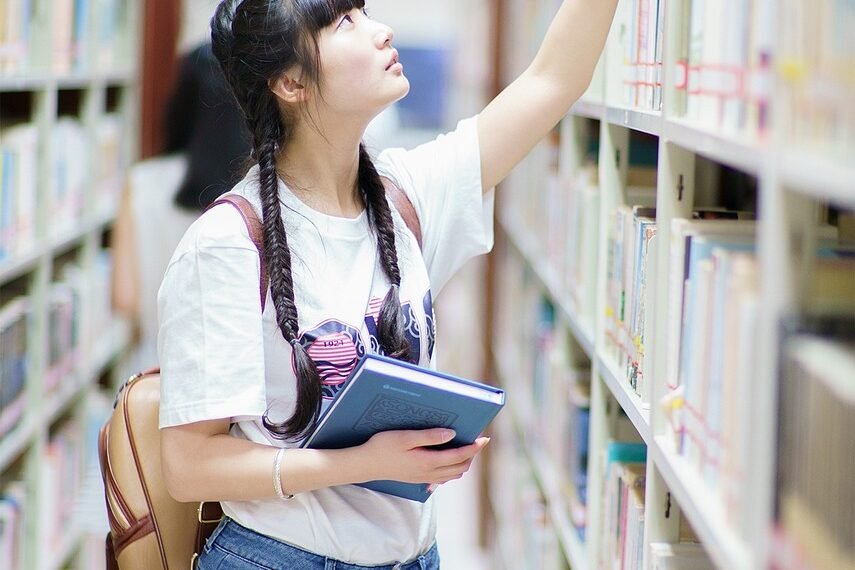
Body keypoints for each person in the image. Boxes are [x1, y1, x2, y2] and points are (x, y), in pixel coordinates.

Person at [157, 1, 618, 569]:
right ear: (291, 82)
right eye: (345, 22)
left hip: (414, 557)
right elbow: (189, 466)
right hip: (281, 557)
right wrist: (364, 463)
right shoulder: (226, 244)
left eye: (364, 12)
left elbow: (554, 80)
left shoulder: (406, 196)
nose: (382, 31)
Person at [111, 43, 250, 370]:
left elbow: (124, 299)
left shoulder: (143, 182)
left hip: (156, 373)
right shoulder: (260, 191)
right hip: (236, 384)